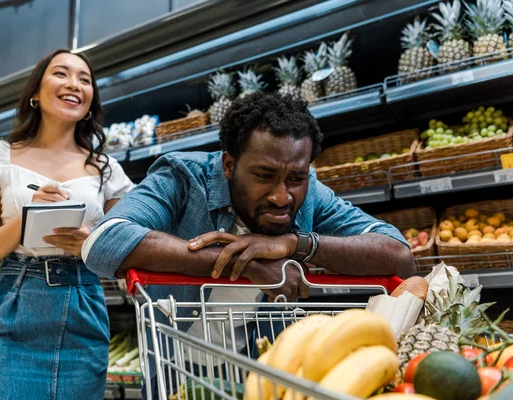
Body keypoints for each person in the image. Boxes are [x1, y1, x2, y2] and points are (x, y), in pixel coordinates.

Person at [82, 92, 414, 395]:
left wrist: (293, 244)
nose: (282, 196)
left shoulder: (311, 191)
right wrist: (250, 267)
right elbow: (103, 240)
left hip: (264, 363)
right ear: (229, 165)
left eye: (295, 178)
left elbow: (398, 255)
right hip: (174, 364)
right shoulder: (183, 177)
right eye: (264, 176)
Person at [0, 48, 133, 400]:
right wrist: (29, 215)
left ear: (90, 102)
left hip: (83, 309)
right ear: (35, 94)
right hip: (12, 310)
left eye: (84, 79)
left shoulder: (107, 169)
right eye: (61, 73)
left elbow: (123, 251)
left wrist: (92, 241)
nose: (74, 84)